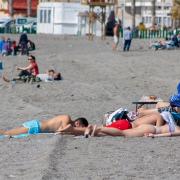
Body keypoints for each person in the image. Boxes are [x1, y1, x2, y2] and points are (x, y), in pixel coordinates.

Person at [0, 115, 88, 136]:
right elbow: (62, 130)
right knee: (7, 133)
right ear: (78, 123)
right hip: (36, 127)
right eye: (82, 127)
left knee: (8, 133)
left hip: (37, 127)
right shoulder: (67, 118)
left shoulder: (68, 121)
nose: (81, 129)